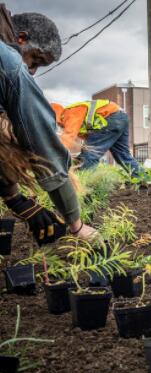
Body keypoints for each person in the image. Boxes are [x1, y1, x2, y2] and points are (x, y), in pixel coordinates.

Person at [0, 10, 96, 244]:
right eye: (35, 60)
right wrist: (76, 225)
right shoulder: (10, 64)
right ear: (21, 39)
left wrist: (17, 202)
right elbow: (44, 145)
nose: (32, 71)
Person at [51, 101, 140, 175]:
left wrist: (54, 155)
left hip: (111, 116)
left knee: (90, 154)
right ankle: (142, 179)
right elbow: (88, 136)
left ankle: (84, 185)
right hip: (120, 116)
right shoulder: (70, 116)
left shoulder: (70, 113)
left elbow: (68, 136)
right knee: (123, 154)